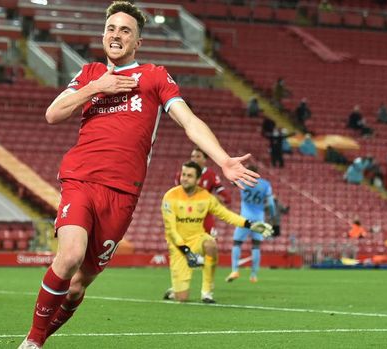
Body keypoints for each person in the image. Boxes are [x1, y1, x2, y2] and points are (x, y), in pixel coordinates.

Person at [17, 2, 260, 348]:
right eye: (111, 29)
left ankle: (40, 338)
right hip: (81, 179)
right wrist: (95, 88)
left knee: (78, 285)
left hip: (123, 193)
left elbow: (189, 121)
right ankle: (32, 342)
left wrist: (222, 159)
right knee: (69, 255)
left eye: (125, 30)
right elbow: (53, 114)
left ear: (137, 42)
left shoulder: (154, 76)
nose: (116, 35)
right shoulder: (89, 74)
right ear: (103, 35)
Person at [162, 162, 272, 304]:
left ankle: (206, 292)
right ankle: (174, 291)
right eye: (183, 174)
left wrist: (250, 224)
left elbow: (226, 214)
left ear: (197, 180)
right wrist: (186, 251)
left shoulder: (205, 196)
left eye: (189, 176)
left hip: (198, 238)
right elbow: (170, 230)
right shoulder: (170, 196)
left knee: (211, 245)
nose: (184, 178)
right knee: (182, 298)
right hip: (178, 246)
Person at [226, 164, 275, 283]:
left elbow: (231, 179)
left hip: (245, 219)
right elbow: (271, 204)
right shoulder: (265, 184)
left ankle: (235, 270)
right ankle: (253, 275)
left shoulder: (243, 181)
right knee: (256, 246)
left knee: (237, 243)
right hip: (259, 218)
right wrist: (272, 216)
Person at [174, 147, 231, 236]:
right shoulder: (181, 175)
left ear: (205, 159)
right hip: (187, 215)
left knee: (212, 244)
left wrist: (219, 199)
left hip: (205, 215)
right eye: (192, 156)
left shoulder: (211, 175)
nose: (194, 159)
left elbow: (226, 197)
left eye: (198, 156)